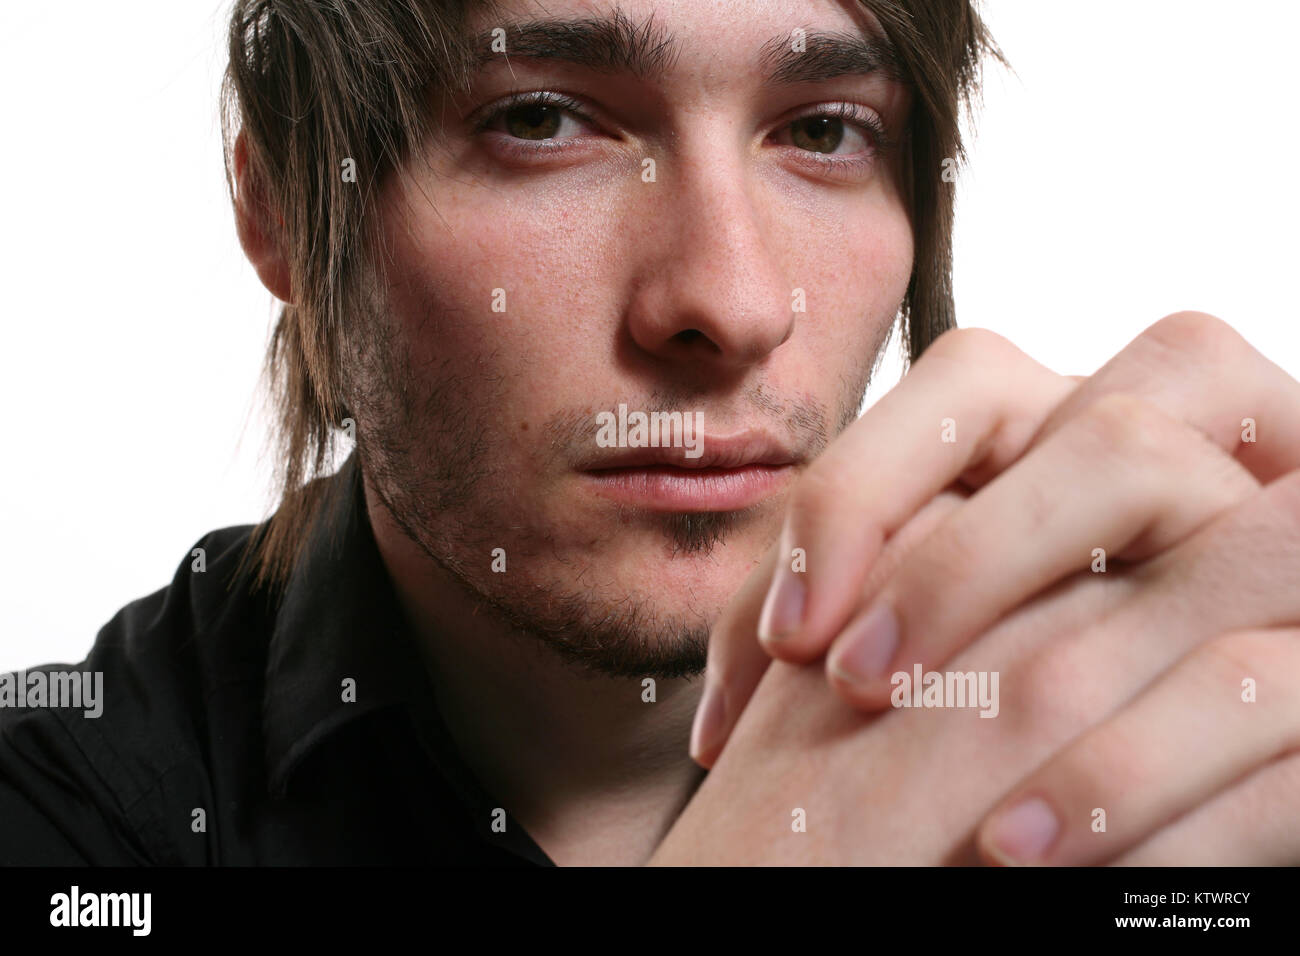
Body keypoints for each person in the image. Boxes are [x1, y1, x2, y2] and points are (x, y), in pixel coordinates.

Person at [3, 0, 1298, 866]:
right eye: (541, 119)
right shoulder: (67, 817)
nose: (731, 303)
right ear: (282, 207)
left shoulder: (1124, 713)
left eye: (823, 131)